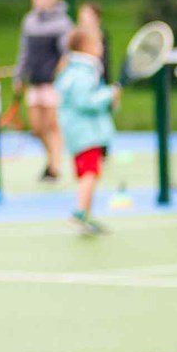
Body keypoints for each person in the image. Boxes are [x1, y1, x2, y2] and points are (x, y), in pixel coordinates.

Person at [54, 27, 119, 235]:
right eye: (98, 44)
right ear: (86, 47)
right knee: (90, 173)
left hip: (80, 133)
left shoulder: (78, 70)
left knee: (87, 173)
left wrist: (109, 97)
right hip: (86, 134)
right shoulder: (82, 73)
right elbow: (86, 101)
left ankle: (86, 215)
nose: (101, 48)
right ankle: (79, 213)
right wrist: (109, 95)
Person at [17, 0, 74, 181]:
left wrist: (60, 73)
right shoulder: (29, 21)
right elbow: (24, 51)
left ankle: (54, 167)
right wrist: (19, 75)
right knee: (37, 128)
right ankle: (51, 157)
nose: (36, 0)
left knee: (53, 125)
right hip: (34, 81)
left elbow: (68, 53)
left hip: (53, 83)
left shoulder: (63, 23)